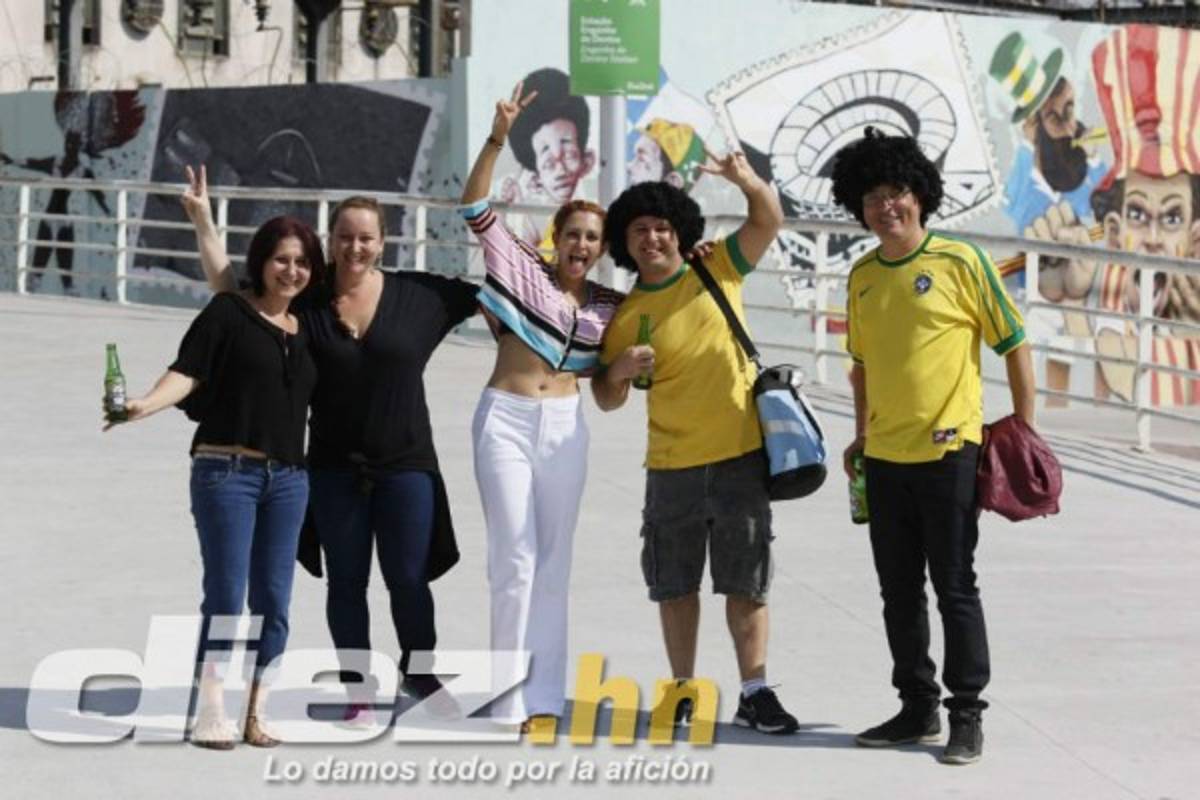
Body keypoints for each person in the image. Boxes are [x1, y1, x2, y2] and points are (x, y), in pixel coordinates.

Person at [182, 167, 480, 725]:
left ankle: (420, 672)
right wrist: (204, 221)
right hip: (332, 469)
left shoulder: (422, 296)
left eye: (366, 237)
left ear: (382, 241)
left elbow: (502, 301)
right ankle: (357, 688)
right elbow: (232, 296)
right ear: (332, 237)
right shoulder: (308, 300)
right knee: (347, 582)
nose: (354, 246)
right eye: (344, 235)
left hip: (408, 464)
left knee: (409, 580)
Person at [830, 126, 1036, 765]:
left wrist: (1023, 426)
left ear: (919, 195)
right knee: (897, 590)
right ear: (857, 207)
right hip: (886, 459)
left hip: (951, 453)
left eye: (895, 192)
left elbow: (1012, 342)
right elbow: (861, 364)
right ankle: (915, 706)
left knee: (954, 586)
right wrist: (861, 437)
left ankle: (966, 713)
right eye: (871, 197)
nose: (884, 207)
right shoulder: (862, 276)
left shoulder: (960, 261)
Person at [591, 155, 800, 735]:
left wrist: (745, 179)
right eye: (639, 230)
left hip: (739, 456)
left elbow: (768, 220)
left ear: (680, 231)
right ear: (624, 245)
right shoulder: (627, 315)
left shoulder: (719, 269)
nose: (652, 238)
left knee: (747, 582)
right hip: (671, 466)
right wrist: (618, 372)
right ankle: (682, 690)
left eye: (661, 227)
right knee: (674, 584)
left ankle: (754, 691)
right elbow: (608, 400)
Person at [105, 213, 325, 750]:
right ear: (261, 262)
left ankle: (257, 711)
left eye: (301, 262)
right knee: (226, 596)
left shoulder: (309, 324)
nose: (290, 271)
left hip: (290, 480)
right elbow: (187, 372)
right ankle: (211, 709)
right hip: (226, 471)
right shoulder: (228, 312)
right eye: (280, 260)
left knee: (274, 600)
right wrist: (143, 405)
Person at [458, 83, 625, 733]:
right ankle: (506, 697)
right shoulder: (518, 263)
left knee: (555, 563)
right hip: (504, 418)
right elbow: (473, 201)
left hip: (565, 428)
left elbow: (608, 394)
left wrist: (622, 368)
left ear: (602, 248)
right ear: (556, 236)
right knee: (515, 559)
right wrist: (499, 135)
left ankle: (546, 698)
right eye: (573, 233)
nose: (582, 245)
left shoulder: (608, 308)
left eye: (592, 238)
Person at [499, 67, 596, 249]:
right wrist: (514, 213)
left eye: (568, 155)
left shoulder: (594, 213)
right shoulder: (533, 216)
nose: (560, 170)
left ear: (587, 161)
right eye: (549, 163)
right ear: (536, 174)